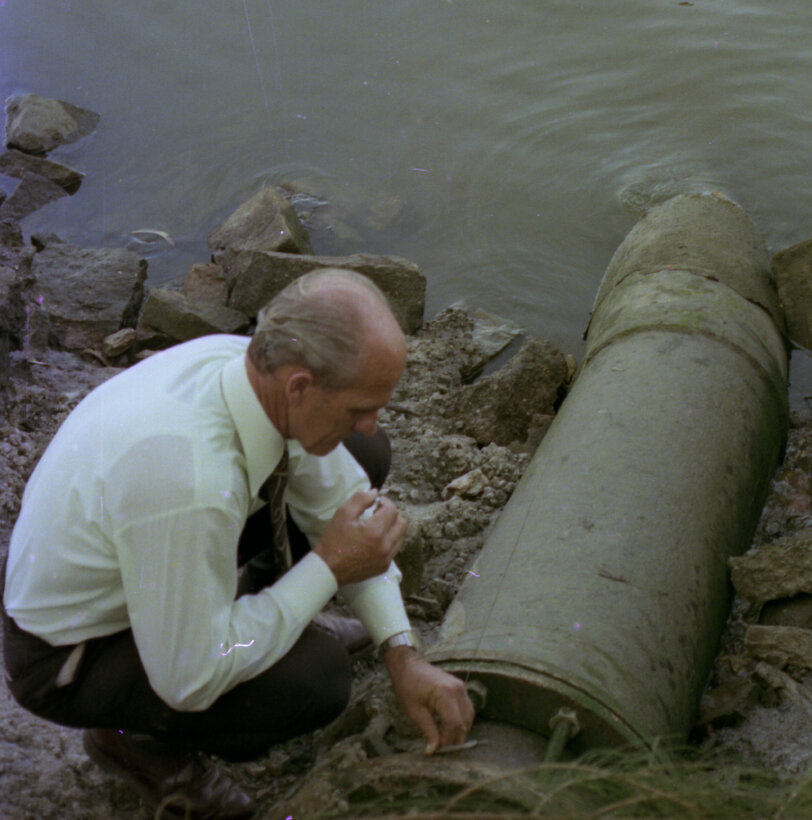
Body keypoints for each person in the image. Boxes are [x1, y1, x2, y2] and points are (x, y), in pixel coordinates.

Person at [2, 268, 474, 820]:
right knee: (315, 680)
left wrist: (402, 653)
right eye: (357, 408)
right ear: (299, 385)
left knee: (365, 459)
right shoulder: (191, 480)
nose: (367, 423)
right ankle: (136, 743)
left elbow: (343, 509)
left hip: (148, 553)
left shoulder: (248, 368)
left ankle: (255, 615)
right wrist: (324, 571)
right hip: (68, 655)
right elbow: (190, 679)